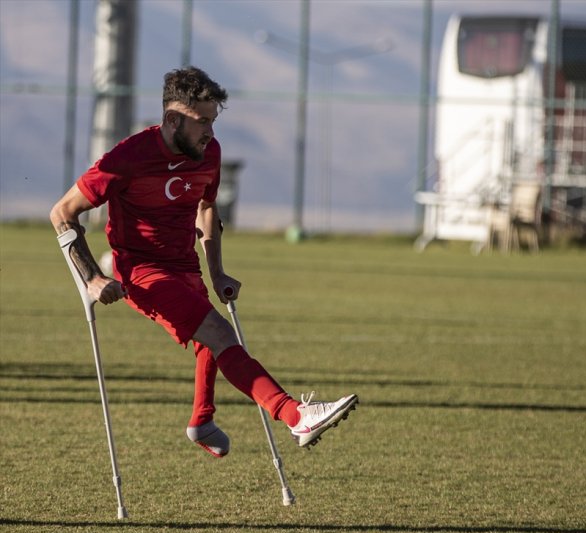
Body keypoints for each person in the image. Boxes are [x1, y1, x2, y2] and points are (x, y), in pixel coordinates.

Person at [49, 66, 357, 457]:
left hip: (185, 265)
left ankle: (201, 420)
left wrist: (217, 273)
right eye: (202, 122)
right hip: (143, 273)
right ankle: (296, 415)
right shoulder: (126, 158)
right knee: (220, 333)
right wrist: (92, 277)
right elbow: (61, 212)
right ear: (172, 119)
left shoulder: (209, 152)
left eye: (213, 120)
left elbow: (207, 209)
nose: (210, 131)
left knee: (209, 343)